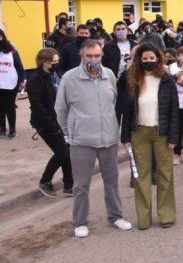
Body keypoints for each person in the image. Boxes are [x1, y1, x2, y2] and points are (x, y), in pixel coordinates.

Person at [55, 39, 132, 238]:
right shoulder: (70, 79)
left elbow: (114, 103)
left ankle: (115, 216)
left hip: (108, 139)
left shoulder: (109, 75)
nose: (93, 59)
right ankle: (80, 222)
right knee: (81, 184)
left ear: (102, 56)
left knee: (112, 181)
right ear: (82, 56)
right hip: (81, 141)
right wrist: (69, 132)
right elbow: (61, 109)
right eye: (89, 56)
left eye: (97, 56)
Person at [118, 43, 179, 230]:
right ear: (139, 60)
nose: (149, 61)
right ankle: (143, 218)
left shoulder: (167, 80)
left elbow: (174, 111)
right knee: (141, 176)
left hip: (162, 133)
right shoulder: (132, 80)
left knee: (165, 174)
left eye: (152, 58)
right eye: (145, 59)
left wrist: (174, 137)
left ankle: (166, 215)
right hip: (139, 133)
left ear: (158, 59)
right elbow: (127, 111)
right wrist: (125, 137)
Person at [27, 48, 72, 197]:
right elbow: (37, 107)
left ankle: (69, 185)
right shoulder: (35, 80)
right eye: (54, 62)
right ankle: (45, 181)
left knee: (66, 152)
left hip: (58, 120)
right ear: (44, 61)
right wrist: (53, 126)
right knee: (62, 152)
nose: (56, 64)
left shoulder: (53, 75)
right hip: (46, 124)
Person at [0, 30, 25, 139]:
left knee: (9, 106)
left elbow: (19, 66)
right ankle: (2, 129)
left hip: (10, 82)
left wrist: (22, 80)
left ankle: (12, 129)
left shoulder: (12, 51)